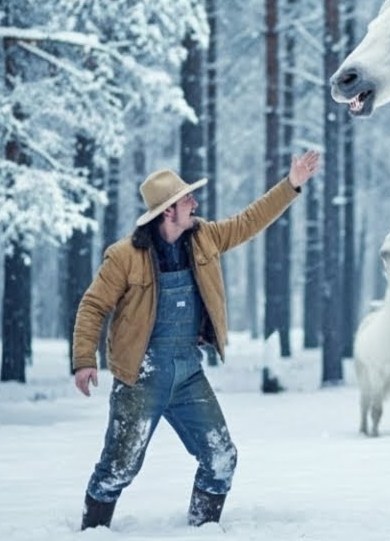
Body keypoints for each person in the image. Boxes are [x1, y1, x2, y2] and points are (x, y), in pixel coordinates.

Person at [72, 150, 320, 530]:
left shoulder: (204, 237)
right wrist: (84, 359)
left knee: (222, 457)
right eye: (187, 199)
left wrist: (291, 185)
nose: (195, 203)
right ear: (167, 211)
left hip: (188, 372)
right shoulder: (124, 257)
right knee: (118, 467)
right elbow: (92, 306)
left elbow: (249, 221)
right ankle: (91, 532)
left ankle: (202, 530)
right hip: (141, 375)